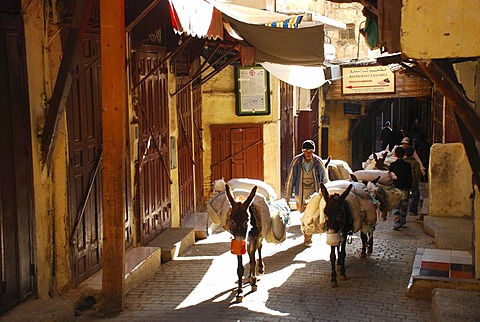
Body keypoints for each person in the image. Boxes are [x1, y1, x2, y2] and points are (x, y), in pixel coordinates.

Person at [284, 139, 328, 246]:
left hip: (314, 192)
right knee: (304, 215)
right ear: (303, 152)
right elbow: (290, 179)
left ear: (313, 152)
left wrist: (325, 194)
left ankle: (308, 237)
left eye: (311, 152)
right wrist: (287, 197)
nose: (308, 154)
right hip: (301, 192)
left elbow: (325, 179)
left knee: (312, 214)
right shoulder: (297, 161)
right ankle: (306, 236)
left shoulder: (318, 162)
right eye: (306, 152)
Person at [389, 146, 412, 230]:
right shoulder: (407, 165)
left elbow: (390, 177)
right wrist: (410, 186)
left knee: (395, 205)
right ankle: (402, 220)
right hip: (405, 188)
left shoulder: (392, 165)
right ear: (404, 154)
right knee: (404, 205)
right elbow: (410, 177)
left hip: (395, 188)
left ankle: (396, 222)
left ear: (395, 154)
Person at [404, 146, 422, 217]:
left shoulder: (403, 162)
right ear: (412, 154)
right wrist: (418, 181)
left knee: (405, 196)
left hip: (404, 182)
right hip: (413, 182)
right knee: (416, 196)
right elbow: (417, 173)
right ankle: (412, 210)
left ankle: (403, 209)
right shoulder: (415, 163)